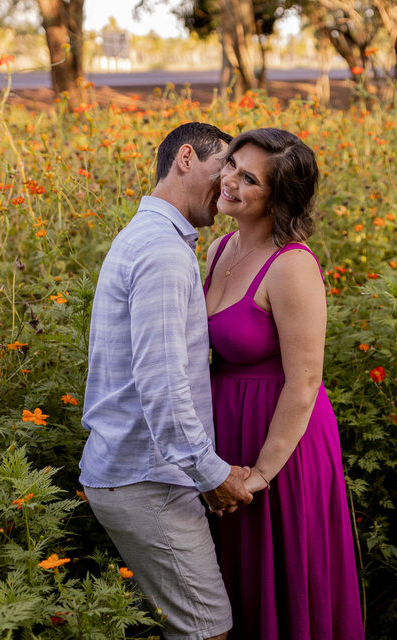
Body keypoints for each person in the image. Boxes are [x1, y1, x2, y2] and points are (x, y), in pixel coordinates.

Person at [80, 122, 252, 640]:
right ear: (184, 158)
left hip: (139, 472)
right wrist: (212, 475)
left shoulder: (155, 240)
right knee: (208, 630)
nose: (228, 185)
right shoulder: (162, 252)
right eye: (224, 166)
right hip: (147, 479)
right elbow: (162, 384)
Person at [203, 128, 365, 639]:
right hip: (228, 434)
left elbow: (305, 382)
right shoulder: (218, 248)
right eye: (232, 164)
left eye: (249, 178)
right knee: (234, 590)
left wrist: (259, 476)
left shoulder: (292, 266)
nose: (229, 179)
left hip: (281, 447)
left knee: (286, 583)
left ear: (279, 198)